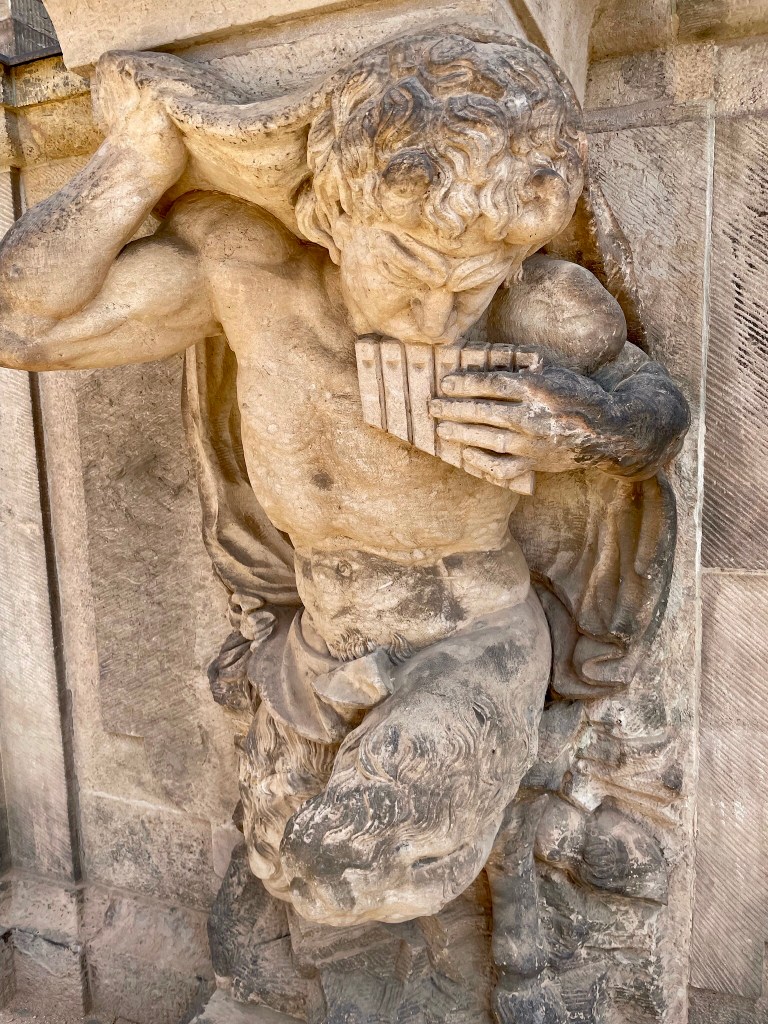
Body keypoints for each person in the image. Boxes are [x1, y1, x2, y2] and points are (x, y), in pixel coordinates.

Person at [0, 30, 689, 926]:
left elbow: (654, 407)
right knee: (282, 875)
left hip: (470, 639)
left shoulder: (539, 307)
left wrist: (591, 427)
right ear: (329, 215)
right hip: (314, 640)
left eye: (470, 285)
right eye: (406, 266)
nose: (435, 317)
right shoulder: (248, 276)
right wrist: (134, 159)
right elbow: (24, 325)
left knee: (347, 866)